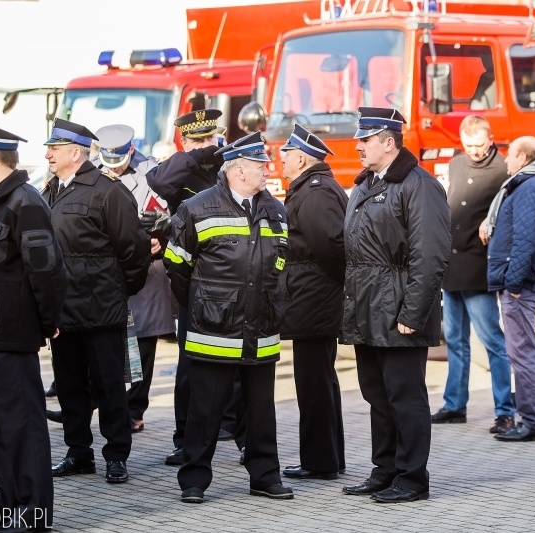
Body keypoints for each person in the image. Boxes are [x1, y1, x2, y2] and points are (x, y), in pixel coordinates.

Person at [162, 131, 293, 503]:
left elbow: (283, 264)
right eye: (259, 165)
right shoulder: (198, 208)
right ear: (237, 171)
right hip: (213, 330)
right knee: (205, 411)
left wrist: (274, 304)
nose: (267, 170)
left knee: (261, 412)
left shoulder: (275, 209)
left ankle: (265, 476)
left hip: (261, 329)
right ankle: (194, 481)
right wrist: (206, 304)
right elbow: (177, 266)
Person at [340, 107, 450, 503]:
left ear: (389, 142)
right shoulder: (368, 182)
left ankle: (411, 478)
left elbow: (431, 254)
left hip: (398, 309)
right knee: (377, 394)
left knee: (405, 397)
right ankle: (384, 469)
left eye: (365, 140)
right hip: (369, 308)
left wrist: (412, 314)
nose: (358, 146)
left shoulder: (418, 185)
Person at [0, 120, 68, 531]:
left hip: (13, 335)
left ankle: (33, 513)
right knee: (2, 430)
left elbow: (48, 272)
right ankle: (8, 506)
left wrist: (46, 323)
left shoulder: (24, 203)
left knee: (24, 430)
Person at [41, 118, 150, 484]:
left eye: (53, 150)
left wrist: (119, 291)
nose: (48, 155)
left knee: (108, 387)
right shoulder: (51, 190)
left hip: (102, 310)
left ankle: (116, 454)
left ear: (76, 152)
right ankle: (78, 452)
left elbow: (134, 252)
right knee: (70, 386)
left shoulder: (107, 191)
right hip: (63, 311)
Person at [146, 109, 244, 466]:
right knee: (190, 364)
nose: (207, 146)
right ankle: (184, 437)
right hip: (194, 278)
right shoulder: (178, 168)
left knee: (237, 361)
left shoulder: (231, 163)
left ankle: (238, 433)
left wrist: (215, 152)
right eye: (197, 140)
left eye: (210, 139)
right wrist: (194, 155)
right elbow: (158, 181)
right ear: (184, 143)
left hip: (232, 276)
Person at [431, 116, 515, 434]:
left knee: (492, 340)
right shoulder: (456, 164)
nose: (475, 152)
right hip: (452, 267)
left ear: (490, 139)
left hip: (478, 266)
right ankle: (454, 405)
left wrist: (492, 227)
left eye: (480, 145)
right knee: (454, 340)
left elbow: (507, 212)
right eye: (468, 146)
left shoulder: (503, 170)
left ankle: (505, 410)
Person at [94, 124, 175, 433]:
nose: (114, 169)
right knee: (110, 341)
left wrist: (162, 240)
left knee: (143, 341)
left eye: (120, 162)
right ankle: (104, 404)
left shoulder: (153, 173)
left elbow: (177, 215)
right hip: (107, 267)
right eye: (108, 162)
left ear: (130, 151)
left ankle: (135, 409)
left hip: (146, 268)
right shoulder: (95, 171)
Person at [278, 124, 347, 481]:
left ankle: (320, 462)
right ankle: (329, 458)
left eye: (285, 154)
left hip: (315, 299)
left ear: (301, 159)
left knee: (313, 383)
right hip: (313, 297)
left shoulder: (315, 192)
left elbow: (333, 247)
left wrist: (334, 287)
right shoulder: (309, 189)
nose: (281, 160)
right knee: (320, 380)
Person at [480, 136, 535, 442]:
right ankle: (533, 419)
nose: (505, 161)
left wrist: (512, 283)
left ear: (523, 158)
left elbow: (525, 241)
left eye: (510, 155)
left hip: (520, 286)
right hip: (519, 282)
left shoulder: (529, 188)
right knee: (523, 353)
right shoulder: (528, 186)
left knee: (522, 355)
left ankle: (533, 422)